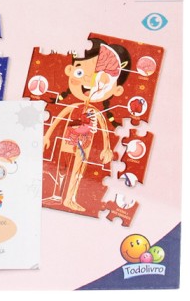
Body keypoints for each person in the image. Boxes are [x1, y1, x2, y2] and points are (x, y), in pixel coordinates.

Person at [43, 39, 130, 212]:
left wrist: (107, 148)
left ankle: (70, 199)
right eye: (80, 72)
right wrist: (47, 136)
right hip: (68, 139)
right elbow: (59, 118)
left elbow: (104, 130)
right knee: (62, 168)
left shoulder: (96, 112)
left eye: (101, 78)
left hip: (85, 144)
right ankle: (56, 195)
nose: (89, 80)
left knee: (77, 172)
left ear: (117, 89)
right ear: (70, 70)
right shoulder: (74, 106)